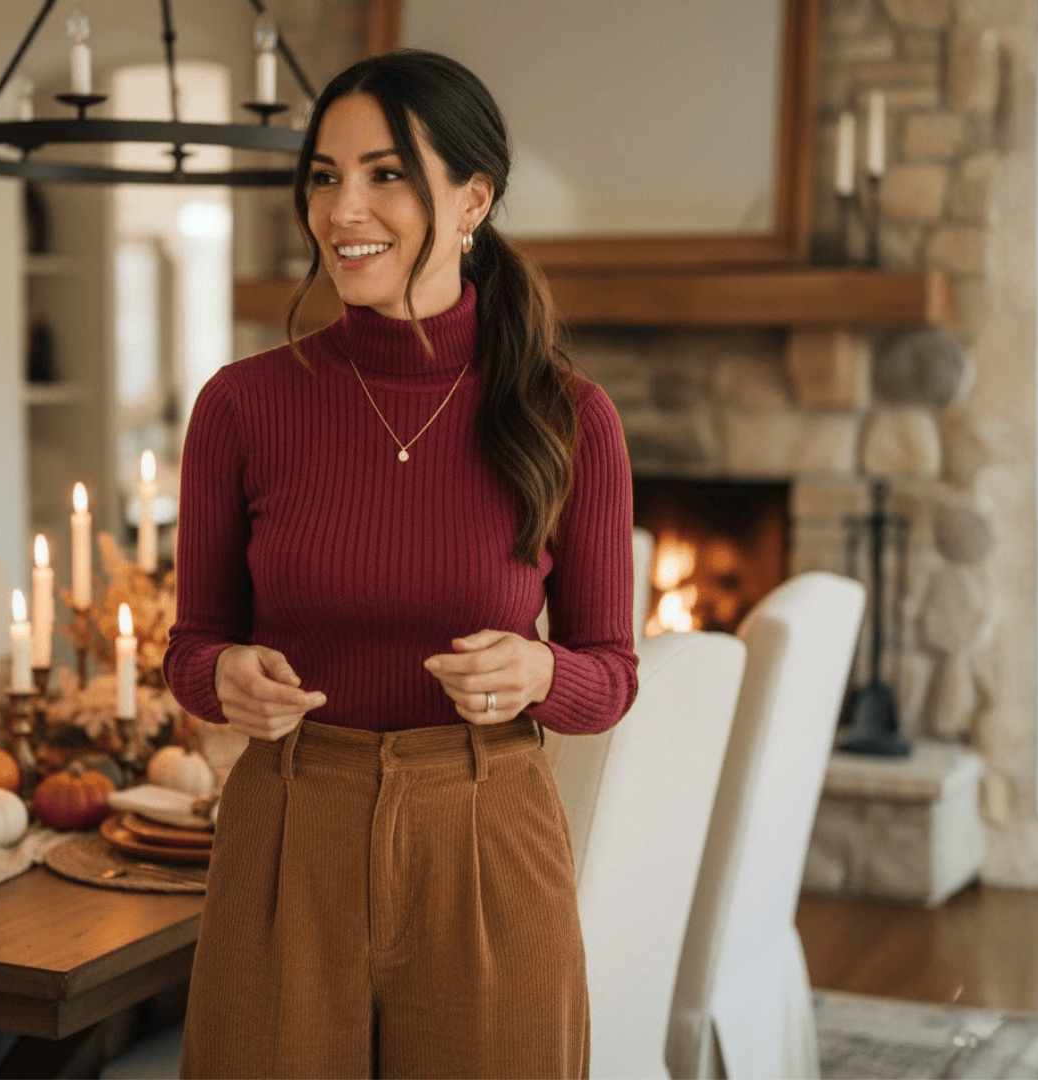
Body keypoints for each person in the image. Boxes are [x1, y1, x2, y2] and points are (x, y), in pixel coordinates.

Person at [162, 48, 638, 1079]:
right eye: (324, 176)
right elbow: (191, 646)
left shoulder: (569, 417)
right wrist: (224, 675)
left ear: (474, 201)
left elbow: (611, 676)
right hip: (286, 830)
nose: (343, 210)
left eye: (386, 174)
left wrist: (541, 672)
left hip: (488, 837)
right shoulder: (241, 406)